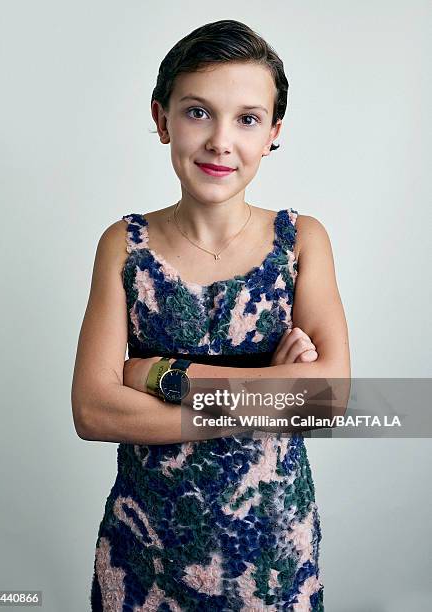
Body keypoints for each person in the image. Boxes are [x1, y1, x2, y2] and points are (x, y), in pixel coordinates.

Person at [71, 19, 350, 611]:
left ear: (274, 131)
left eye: (247, 118)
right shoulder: (125, 245)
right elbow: (93, 411)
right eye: (198, 111)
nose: (221, 141)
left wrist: (164, 378)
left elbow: (328, 400)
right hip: (146, 545)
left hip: (271, 547)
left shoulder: (301, 240)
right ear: (161, 117)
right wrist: (272, 391)